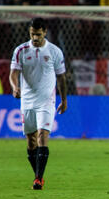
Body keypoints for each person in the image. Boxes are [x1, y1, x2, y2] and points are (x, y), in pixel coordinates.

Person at [9, 18, 67, 190]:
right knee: (31, 141)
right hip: (27, 100)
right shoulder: (20, 50)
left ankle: (38, 179)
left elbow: (61, 77)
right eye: (32, 34)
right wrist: (15, 87)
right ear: (29, 31)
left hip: (47, 100)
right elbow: (13, 73)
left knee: (42, 135)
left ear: (45, 32)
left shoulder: (55, 51)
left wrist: (64, 100)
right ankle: (38, 174)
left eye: (38, 34)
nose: (35, 37)